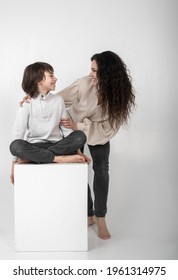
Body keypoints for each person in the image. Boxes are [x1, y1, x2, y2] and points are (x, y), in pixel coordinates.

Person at [57, 51, 136, 240]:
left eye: (95, 71)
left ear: (108, 74)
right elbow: (59, 99)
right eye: (91, 69)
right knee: (78, 169)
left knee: (101, 170)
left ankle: (101, 218)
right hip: (74, 132)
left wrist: (82, 126)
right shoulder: (85, 83)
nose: (90, 74)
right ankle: (88, 214)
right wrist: (33, 98)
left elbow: (109, 128)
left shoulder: (119, 95)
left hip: (99, 135)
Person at [10, 62, 90, 185]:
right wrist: (13, 166)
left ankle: (33, 158)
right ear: (39, 81)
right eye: (51, 76)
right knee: (15, 146)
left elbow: (66, 129)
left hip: (57, 144)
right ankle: (58, 159)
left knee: (80, 136)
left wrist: (78, 151)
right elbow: (17, 135)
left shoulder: (58, 100)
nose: (55, 78)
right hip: (37, 146)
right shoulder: (26, 104)